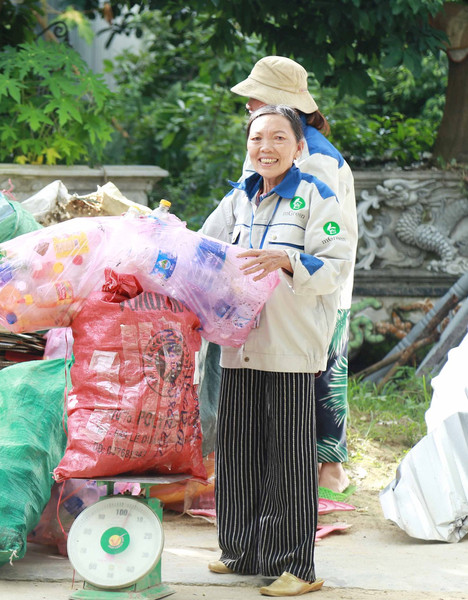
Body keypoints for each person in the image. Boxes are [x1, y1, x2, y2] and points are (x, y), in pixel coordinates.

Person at [200, 105, 354, 596]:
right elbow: (204, 246)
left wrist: (286, 259)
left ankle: (296, 567)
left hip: (291, 343)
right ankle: (242, 550)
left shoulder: (316, 195)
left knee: (288, 456)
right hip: (240, 341)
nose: (265, 147)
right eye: (256, 138)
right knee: (239, 449)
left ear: (298, 145)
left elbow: (335, 264)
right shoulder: (238, 199)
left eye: (278, 138)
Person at [231, 56, 358, 496]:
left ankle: (324, 471)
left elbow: (323, 240)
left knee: (318, 374)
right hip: (278, 286)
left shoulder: (315, 160)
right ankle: (312, 472)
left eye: (256, 98)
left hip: (308, 284)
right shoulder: (284, 145)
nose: (248, 105)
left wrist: (285, 261)